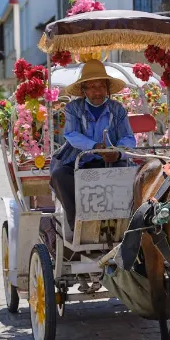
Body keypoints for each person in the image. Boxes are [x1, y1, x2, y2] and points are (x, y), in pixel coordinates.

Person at [50, 59, 136, 231]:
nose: (98, 92)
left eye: (102, 86)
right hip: (78, 161)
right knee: (59, 175)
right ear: (84, 90)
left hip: (110, 161)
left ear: (107, 88)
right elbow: (71, 135)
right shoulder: (73, 108)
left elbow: (128, 138)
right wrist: (95, 146)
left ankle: (127, 225)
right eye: (92, 87)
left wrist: (117, 152)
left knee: (134, 177)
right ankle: (77, 224)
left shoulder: (117, 109)